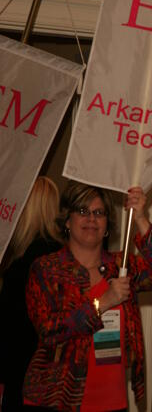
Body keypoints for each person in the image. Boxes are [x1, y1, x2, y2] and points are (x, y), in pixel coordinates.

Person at [22, 181, 152, 411]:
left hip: (112, 402)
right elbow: (48, 330)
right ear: (67, 220)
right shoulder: (46, 269)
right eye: (83, 211)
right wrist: (103, 303)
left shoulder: (121, 267)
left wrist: (141, 218)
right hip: (55, 401)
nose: (91, 219)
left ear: (107, 227)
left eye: (99, 213)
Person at [0, 176, 63, 412]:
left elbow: (10, 326)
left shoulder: (22, 264)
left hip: (23, 373)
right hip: (55, 376)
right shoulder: (63, 257)